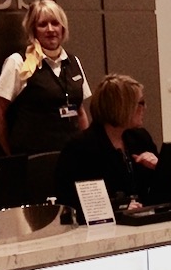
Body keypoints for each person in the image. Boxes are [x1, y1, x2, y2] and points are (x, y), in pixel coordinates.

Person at [0, 0, 91, 155]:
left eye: (55, 23)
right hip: (36, 159)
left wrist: (89, 148)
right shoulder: (18, 62)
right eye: (43, 25)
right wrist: (12, 155)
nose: (50, 29)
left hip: (72, 156)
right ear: (33, 30)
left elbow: (80, 111)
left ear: (63, 28)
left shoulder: (73, 61)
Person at [54, 74, 160, 213]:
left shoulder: (140, 138)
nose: (145, 107)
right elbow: (72, 203)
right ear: (121, 107)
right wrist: (118, 207)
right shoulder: (79, 149)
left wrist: (159, 168)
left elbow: (161, 193)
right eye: (140, 103)